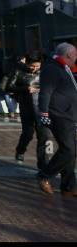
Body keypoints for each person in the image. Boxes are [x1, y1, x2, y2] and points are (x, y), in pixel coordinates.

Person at [36, 43, 77, 196]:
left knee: (71, 151)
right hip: (59, 115)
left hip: (69, 114)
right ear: (68, 55)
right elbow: (45, 92)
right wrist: (44, 113)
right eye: (75, 55)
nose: (76, 58)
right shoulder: (52, 68)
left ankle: (68, 186)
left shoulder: (63, 68)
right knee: (68, 149)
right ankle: (44, 175)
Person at [7, 56, 49, 168]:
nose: (34, 68)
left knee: (43, 136)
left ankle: (42, 163)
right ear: (27, 63)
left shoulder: (45, 73)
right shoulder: (19, 72)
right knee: (28, 134)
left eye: (37, 66)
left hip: (41, 108)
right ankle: (20, 150)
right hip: (26, 107)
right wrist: (25, 88)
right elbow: (9, 87)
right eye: (32, 66)